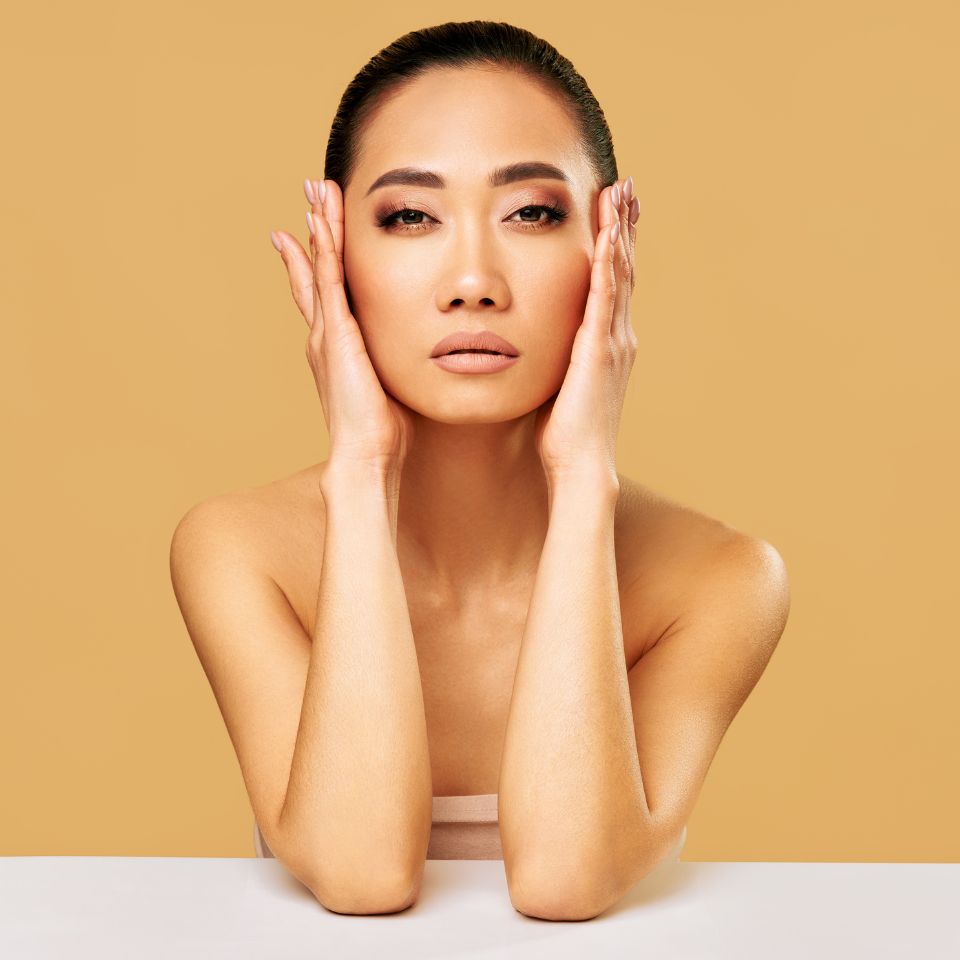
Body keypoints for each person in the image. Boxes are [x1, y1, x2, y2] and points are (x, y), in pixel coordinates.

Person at [169, 20, 790, 920]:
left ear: (609, 246)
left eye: (531, 213)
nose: (472, 281)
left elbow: (567, 880)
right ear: (339, 255)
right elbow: (362, 874)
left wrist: (583, 474)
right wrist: (360, 470)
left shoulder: (721, 582)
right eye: (410, 216)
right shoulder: (241, 551)